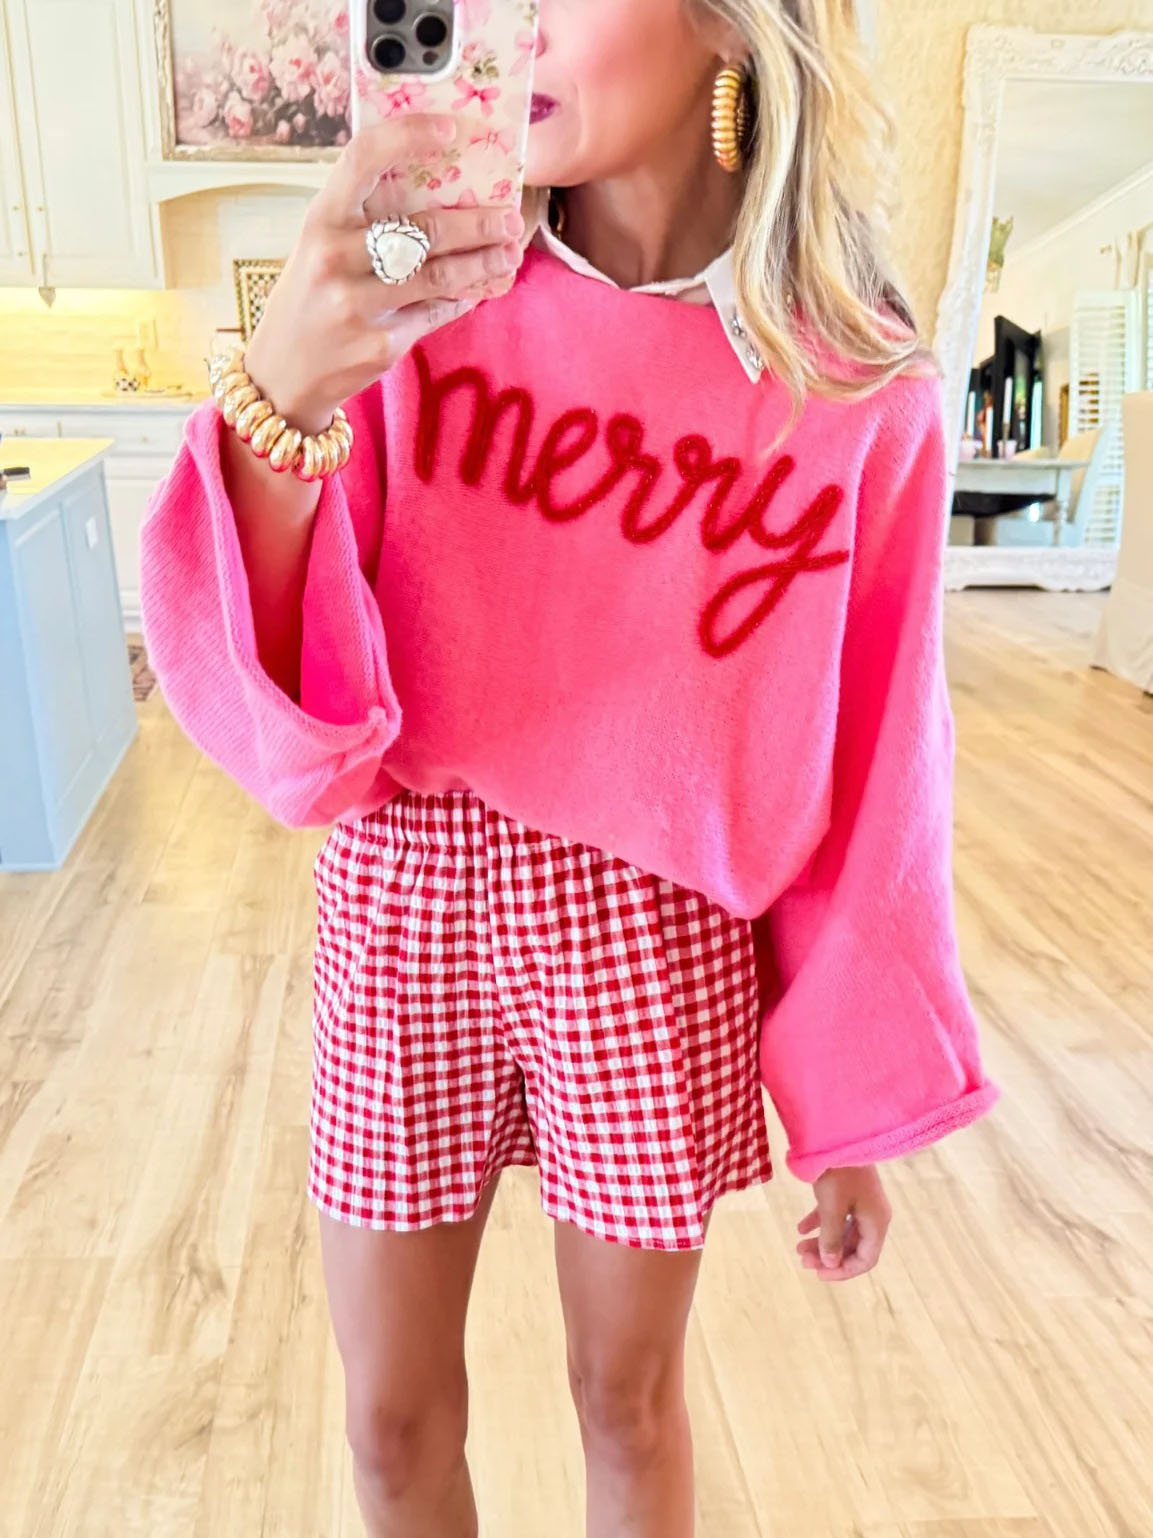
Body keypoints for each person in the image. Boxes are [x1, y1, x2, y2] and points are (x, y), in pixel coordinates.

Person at [139, 2, 1000, 1534]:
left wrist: (852, 1102)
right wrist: (285, 390)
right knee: (390, 1418)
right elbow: (282, 689)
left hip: (655, 933)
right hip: (406, 894)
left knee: (627, 1395)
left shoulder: (853, 386)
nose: (511, 26)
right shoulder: (419, 281)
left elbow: (879, 765)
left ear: (733, 23)